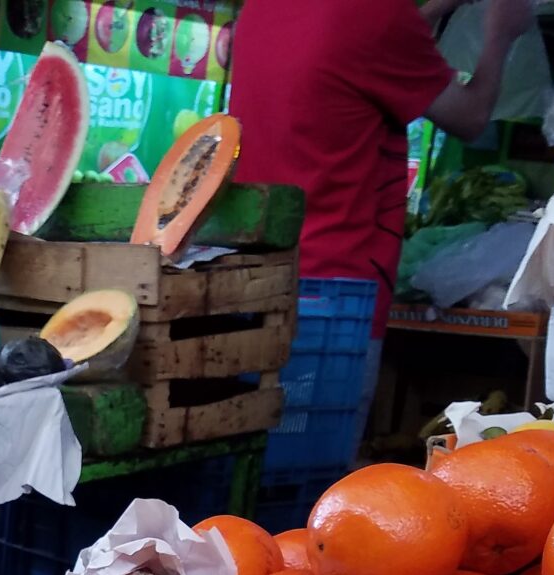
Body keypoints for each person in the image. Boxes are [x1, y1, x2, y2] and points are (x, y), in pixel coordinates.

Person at [228, 0, 536, 444]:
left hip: (256, 279)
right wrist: (500, 34)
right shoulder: (378, 14)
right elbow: (469, 116)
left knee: (254, 451)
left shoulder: (262, 9)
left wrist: (431, 11)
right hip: (336, 295)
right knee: (313, 461)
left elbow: (363, 49)